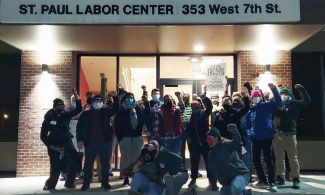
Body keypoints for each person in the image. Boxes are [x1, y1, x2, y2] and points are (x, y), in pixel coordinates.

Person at [40, 88, 82, 190]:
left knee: (75, 160)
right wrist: (52, 147)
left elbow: (78, 109)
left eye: (62, 106)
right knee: (56, 167)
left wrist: (76, 97)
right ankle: (50, 184)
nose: (61, 108)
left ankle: (69, 183)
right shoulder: (49, 118)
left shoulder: (65, 115)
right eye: (59, 106)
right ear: (54, 107)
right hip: (54, 144)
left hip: (67, 142)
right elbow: (43, 136)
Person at [76, 92, 119, 191]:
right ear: (92, 103)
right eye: (96, 101)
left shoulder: (106, 112)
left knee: (105, 164)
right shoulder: (86, 114)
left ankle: (105, 182)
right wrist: (79, 140)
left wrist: (115, 98)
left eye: (99, 101)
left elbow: (115, 108)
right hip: (90, 143)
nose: (97, 103)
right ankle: (86, 184)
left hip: (105, 142)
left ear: (102, 103)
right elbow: (79, 128)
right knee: (88, 164)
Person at [245, 83, 282, 192]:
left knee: (269, 160)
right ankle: (262, 180)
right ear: (252, 99)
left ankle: (272, 182)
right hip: (255, 139)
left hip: (266, 138)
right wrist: (250, 134)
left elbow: (278, 101)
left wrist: (273, 88)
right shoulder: (250, 112)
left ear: (260, 97)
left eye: (257, 97)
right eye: (254, 97)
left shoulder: (267, 106)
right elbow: (248, 125)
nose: (256, 98)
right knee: (256, 160)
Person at [273, 84, 311, 189]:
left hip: (290, 134)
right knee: (279, 158)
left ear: (290, 95)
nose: (283, 95)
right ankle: (280, 178)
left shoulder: (295, 104)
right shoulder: (277, 105)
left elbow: (307, 101)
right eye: (282, 94)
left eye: (285, 94)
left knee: (293, 158)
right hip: (277, 135)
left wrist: (301, 89)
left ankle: (296, 179)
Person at [115, 91, 149, 186]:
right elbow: (117, 126)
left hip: (137, 137)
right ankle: (125, 178)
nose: (130, 99)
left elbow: (145, 116)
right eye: (128, 97)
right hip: (125, 137)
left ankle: (135, 177)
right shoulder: (121, 111)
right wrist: (120, 139)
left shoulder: (139, 109)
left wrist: (146, 103)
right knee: (125, 158)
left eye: (132, 97)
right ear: (125, 99)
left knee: (136, 158)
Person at [207, 125, 252, 195]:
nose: (208, 140)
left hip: (240, 175)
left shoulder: (226, 144)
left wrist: (235, 132)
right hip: (228, 181)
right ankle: (246, 193)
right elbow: (212, 170)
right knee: (225, 193)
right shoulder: (211, 153)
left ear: (216, 138)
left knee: (235, 187)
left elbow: (237, 143)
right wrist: (213, 184)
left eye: (210, 138)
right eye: (207, 138)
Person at [187, 94, 218, 191]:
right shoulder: (190, 117)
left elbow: (209, 107)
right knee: (194, 162)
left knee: (209, 162)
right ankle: (193, 179)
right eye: (193, 107)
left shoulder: (204, 114)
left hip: (204, 142)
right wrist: (190, 139)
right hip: (194, 143)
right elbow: (188, 129)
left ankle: (212, 181)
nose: (194, 108)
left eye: (196, 106)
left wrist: (205, 98)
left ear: (199, 106)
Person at [180, 90, 192, 164]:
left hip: (190, 131)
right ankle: (182, 168)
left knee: (192, 150)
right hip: (181, 131)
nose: (185, 96)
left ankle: (194, 169)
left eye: (187, 95)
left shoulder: (191, 105)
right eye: (184, 95)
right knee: (181, 151)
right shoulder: (179, 105)